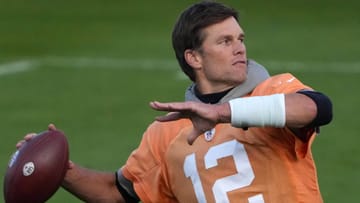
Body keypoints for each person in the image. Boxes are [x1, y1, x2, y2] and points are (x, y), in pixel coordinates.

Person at [17, 1, 333, 202]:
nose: (239, 48)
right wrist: (61, 171)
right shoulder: (166, 134)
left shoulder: (272, 90)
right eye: (225, 41)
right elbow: (118, 193)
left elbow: (316, 108)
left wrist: (222, 112)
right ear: (193, 57)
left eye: (240, 39)